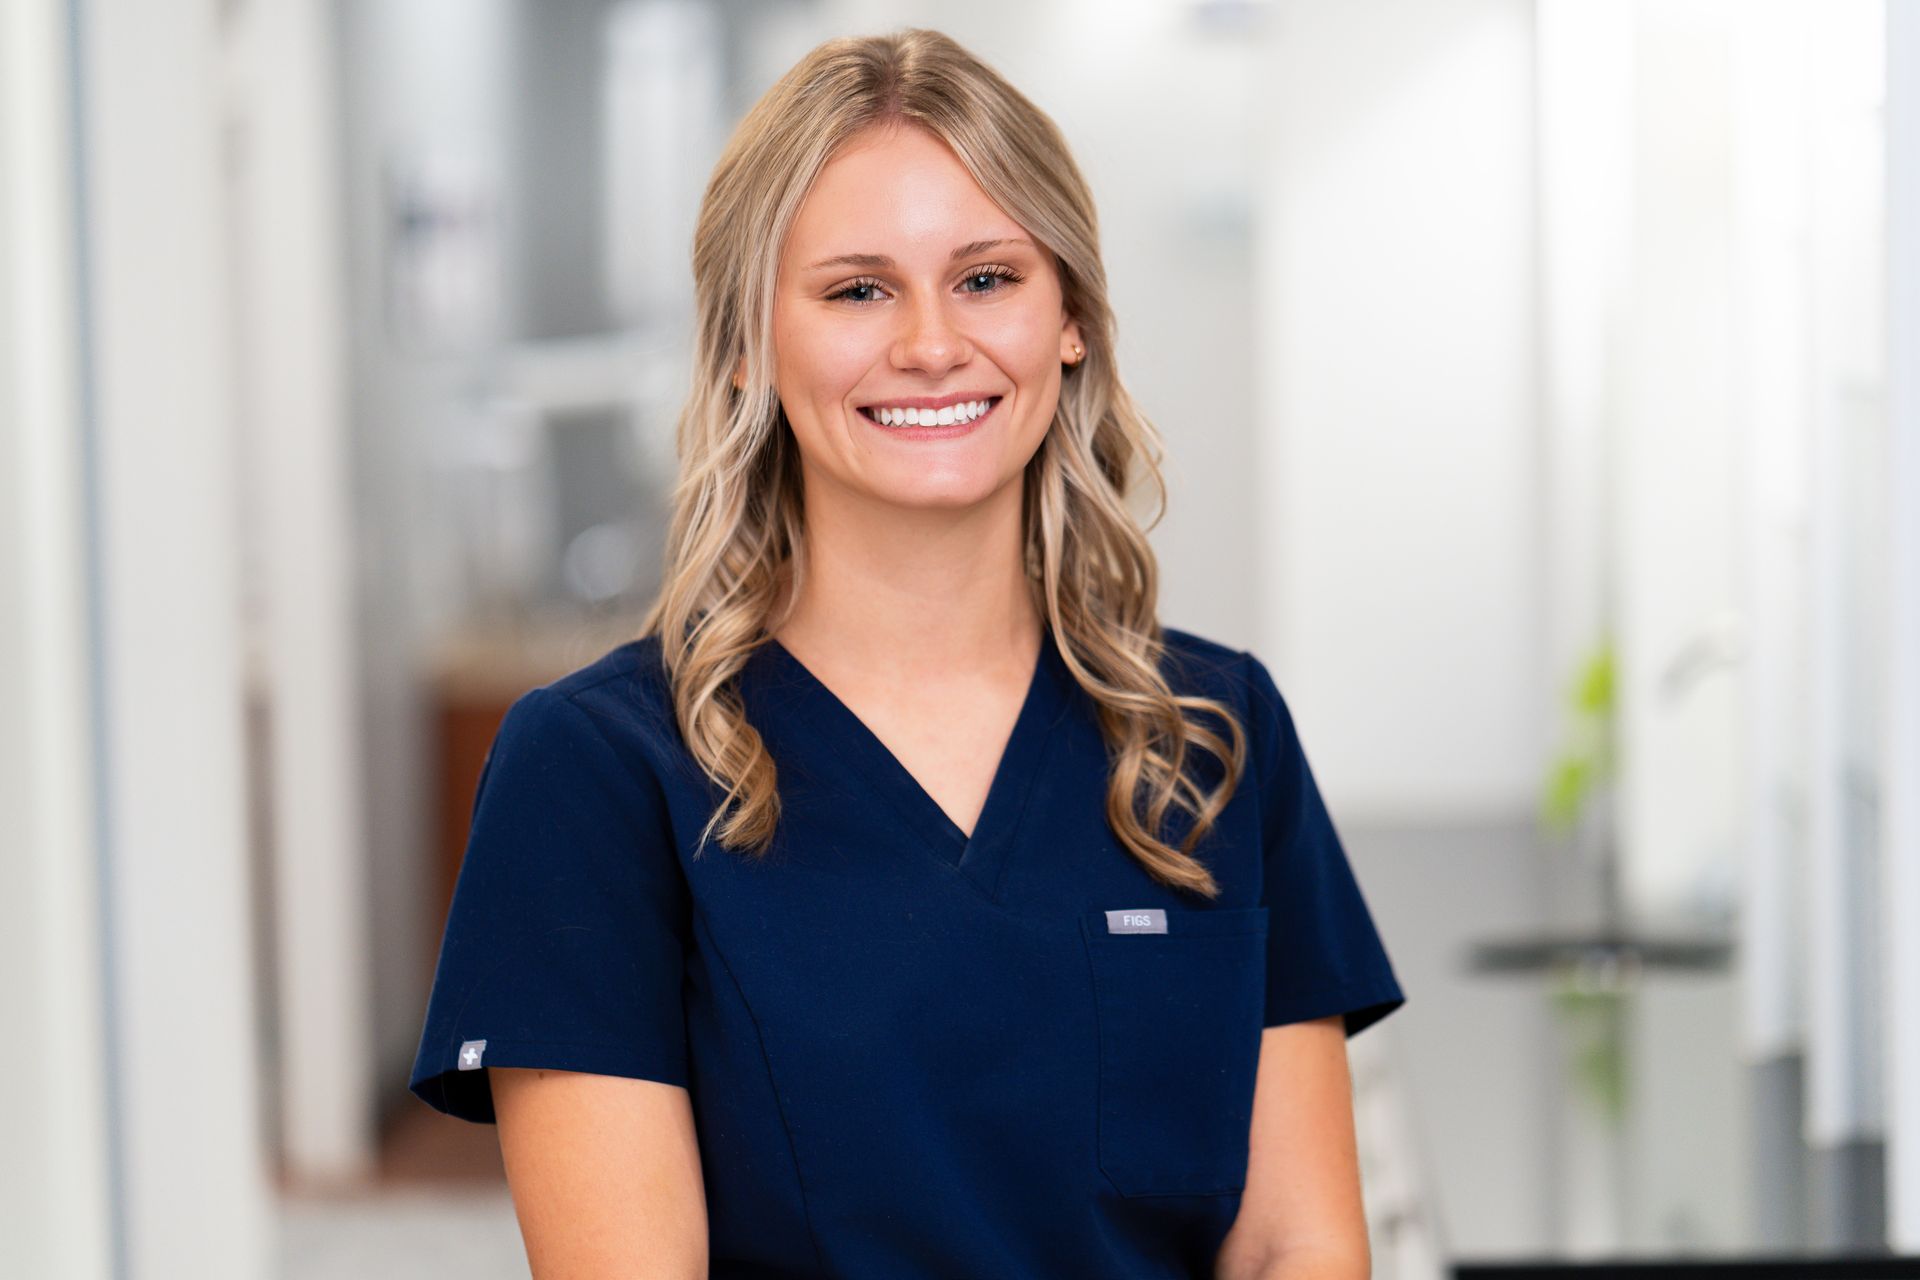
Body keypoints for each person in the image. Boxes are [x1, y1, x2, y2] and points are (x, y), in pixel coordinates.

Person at [409, 26, 1406, 1279]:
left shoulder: (1210, 732)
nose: (932, 342)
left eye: (987, 277)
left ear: (1072, 321)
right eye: (857, 288)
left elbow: (1296, 1243)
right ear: (743, 346)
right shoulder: (601, 771)